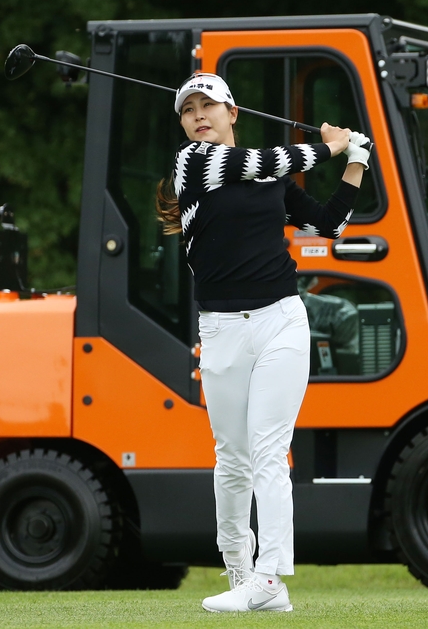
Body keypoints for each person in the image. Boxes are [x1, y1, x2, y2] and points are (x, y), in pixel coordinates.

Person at [156, 73, 371, 613]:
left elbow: (328, 225)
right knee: (233, 458)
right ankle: (239, 569)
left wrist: (356, 161)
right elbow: (268, 161)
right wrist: (329, 146)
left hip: (281, 322)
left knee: (270, 451)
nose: (198, 116)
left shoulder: (271, 173)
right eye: (188, 110)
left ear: (233, 112)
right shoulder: (193, 164)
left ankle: (270, 579)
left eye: (208, 106)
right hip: (222, 330)